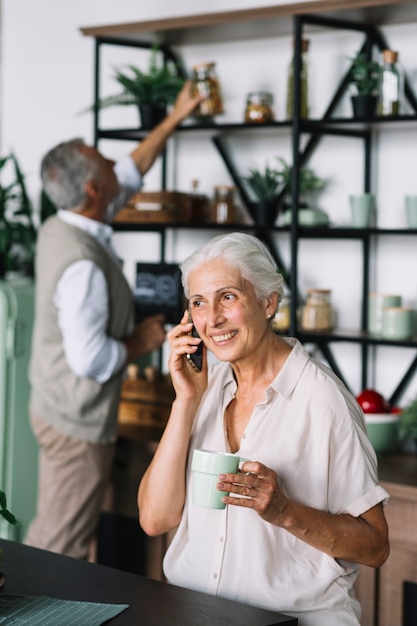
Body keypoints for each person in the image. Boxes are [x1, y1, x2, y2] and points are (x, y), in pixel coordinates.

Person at [138, 232, 390, 626]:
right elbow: (155, 519)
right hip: (195, 613)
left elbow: (375, 546)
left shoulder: (323, 400)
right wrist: (184, 401)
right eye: (199, 303)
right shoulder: (203, 388)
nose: (212, 319)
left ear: (268, 302)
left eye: (228, 297)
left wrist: (284, 511)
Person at [25, 82, 202, 559]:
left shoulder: (62, 225)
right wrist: (140, 341)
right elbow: (90, 359)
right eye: (101, 158)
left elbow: (130, 169)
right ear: (92, 189)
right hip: (76, 423)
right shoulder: (83, 263)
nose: (111, 159)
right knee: (59, 544)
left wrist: (175, 115)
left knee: (62, 533)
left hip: (53, 405)